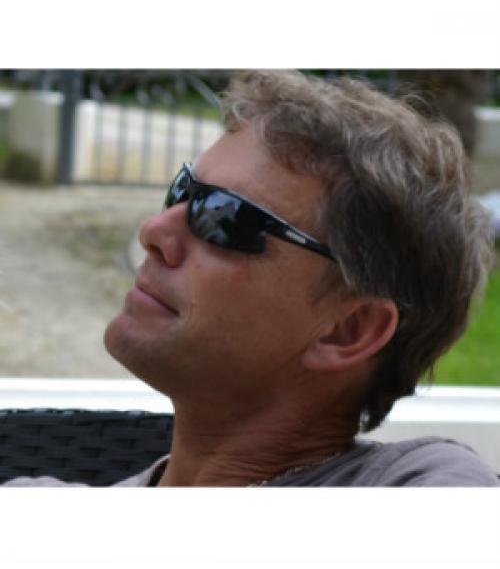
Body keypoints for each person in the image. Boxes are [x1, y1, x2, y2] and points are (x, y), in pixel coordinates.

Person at [4, 70, 499, 487]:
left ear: (348, 331)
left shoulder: (424, 483)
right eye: (182, 190)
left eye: (225, 218)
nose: (154, 231)